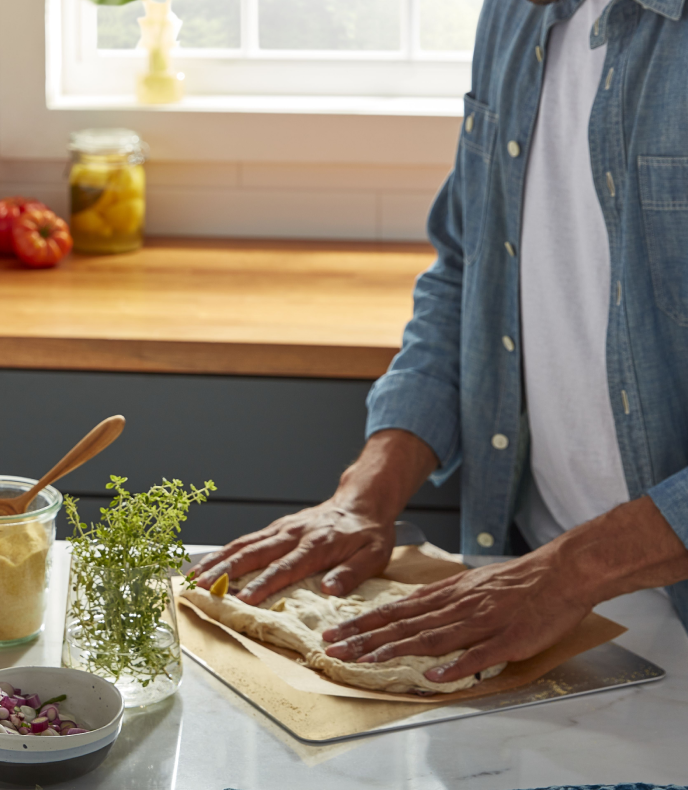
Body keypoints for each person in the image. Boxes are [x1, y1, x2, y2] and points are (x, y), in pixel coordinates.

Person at [189, 0, 688, 685]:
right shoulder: (517, 13)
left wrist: (574, 570)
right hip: (526, 600)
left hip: (600, 593)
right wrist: (365, 493)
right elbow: (469, 269)